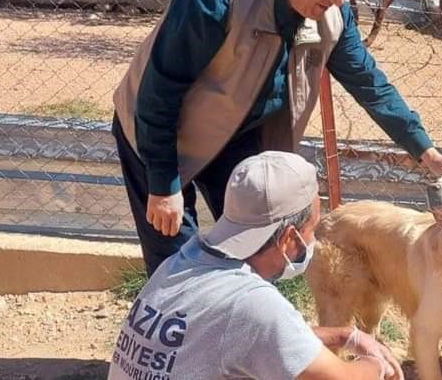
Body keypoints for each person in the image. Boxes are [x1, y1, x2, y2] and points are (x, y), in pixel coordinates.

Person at [111, 0, 442, 275]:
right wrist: (161, 185)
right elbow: (159, 91)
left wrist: (425, 152)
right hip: (155, 131)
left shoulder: (334, 14)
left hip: (236, 133)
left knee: (257, 250)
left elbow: (369, 82)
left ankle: (240, 322)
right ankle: (172, 323)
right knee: (176, 263)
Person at [108, 151, 404, 380]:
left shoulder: (184, 262)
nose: (313, 239)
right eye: (312, 229)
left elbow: (258, 339)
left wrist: (341, 335)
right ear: (289, 237)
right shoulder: (251, 303)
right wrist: (377, 363)